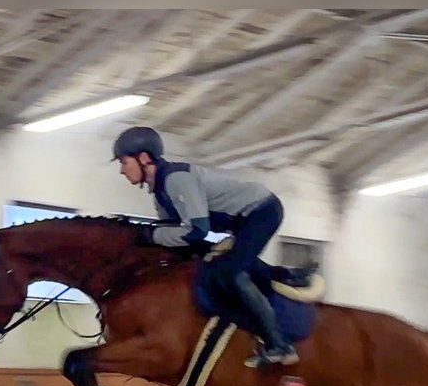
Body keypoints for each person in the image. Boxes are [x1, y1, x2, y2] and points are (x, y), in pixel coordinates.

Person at [112, 125, 299, 367]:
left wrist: (151, 235)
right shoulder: (159, 194)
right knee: (216, 263)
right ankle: (284, 275)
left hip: (261, 211)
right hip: (239, 221)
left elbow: (197, 232)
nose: (121, 170)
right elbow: (178, 238)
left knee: (229, 273)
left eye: (124, 162)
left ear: (144, 158)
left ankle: (280, 345)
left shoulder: (176, 179)